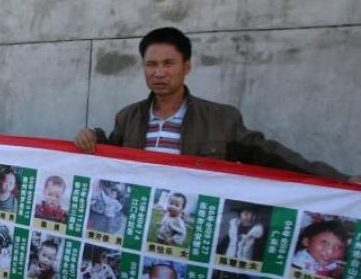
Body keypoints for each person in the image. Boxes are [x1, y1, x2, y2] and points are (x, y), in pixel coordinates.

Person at [74, 27, 359, 183]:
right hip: (139, 222)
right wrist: (93, 138)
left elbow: (272, 155)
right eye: (151, 64)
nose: (159, 73)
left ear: (186, 66)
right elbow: (109, 158)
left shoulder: (222, 118)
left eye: (168, 63)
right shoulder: (128, 117)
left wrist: (340, 180)